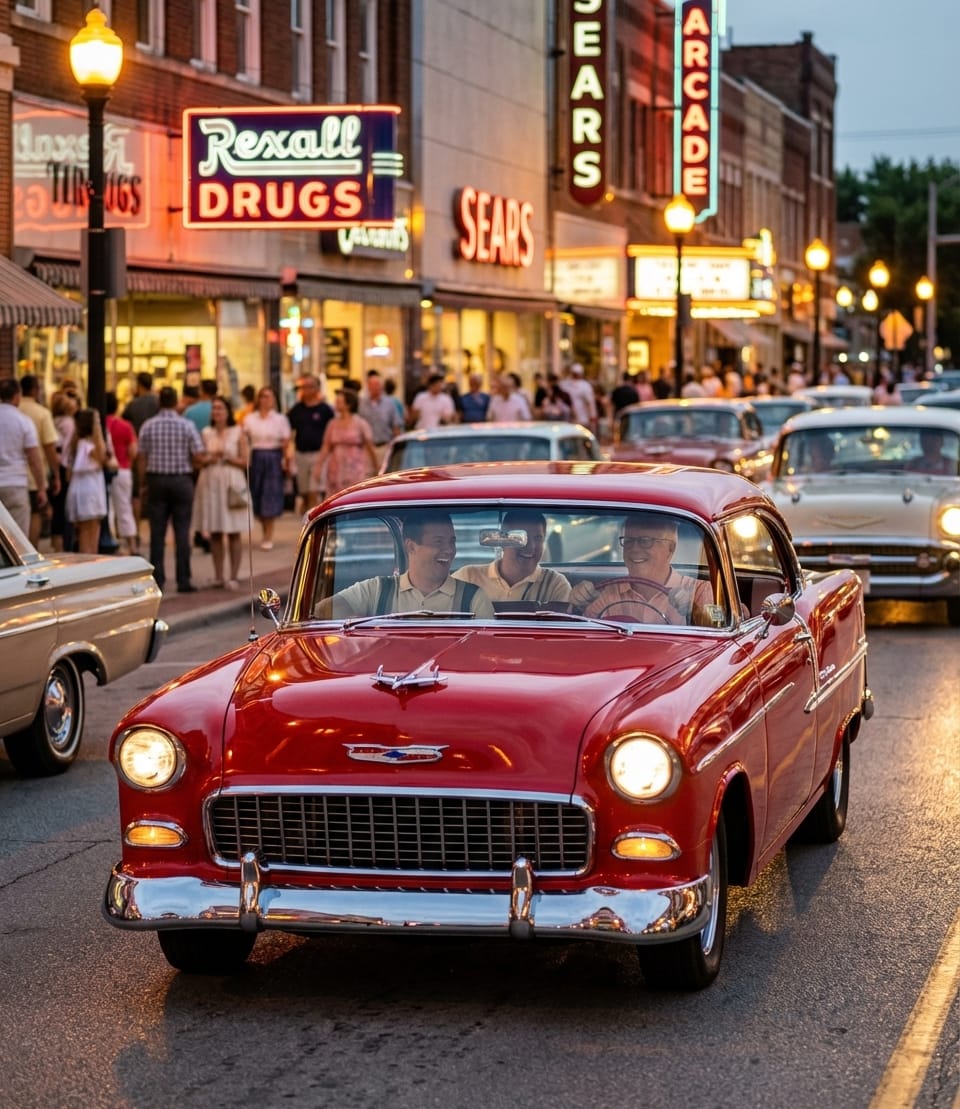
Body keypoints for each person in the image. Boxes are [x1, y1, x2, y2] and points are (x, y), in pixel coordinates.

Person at [323, 510, 494, 619]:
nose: (449, 550)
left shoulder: (474, 598)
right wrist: (358, 630)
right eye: (438, 542)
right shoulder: (377, 590)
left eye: (452, 542)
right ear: (411, 546)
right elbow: (322, 611)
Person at [571, 513, 719, 626]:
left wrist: (694, 610)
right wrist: (577, 603)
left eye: (645, 541)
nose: (634, 549)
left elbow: (719, 623)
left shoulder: (698, 590)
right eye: (628, 541)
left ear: (670, 549)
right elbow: (585, 635)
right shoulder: (607, 593)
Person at [137, 385, 206, 593]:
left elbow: (141, 457)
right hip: (181, 480)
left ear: (159, 402)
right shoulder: (186, 425)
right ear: (177, 402)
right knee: (182, 532)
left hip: (156, 480)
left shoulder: (148, 425)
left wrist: (143, 482)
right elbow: (198, 455)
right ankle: (183, 579)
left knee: (157, 532)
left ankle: (158, 579)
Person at [192, 396, 250, 588]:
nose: (216, 412)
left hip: (231, 482)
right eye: (214, 409)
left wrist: (228, 457)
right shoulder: (206, 432)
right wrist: (209, 458)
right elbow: (198, 460)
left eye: (220, 409)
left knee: (233, 530)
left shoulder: (238, 432)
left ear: (228, 412)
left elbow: (246, 461)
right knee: (215, 530)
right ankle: (218, 574)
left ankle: (233, 575)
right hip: (210, 482)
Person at [454, 511, 571, 606]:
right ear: (503, 541)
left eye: (538, 538)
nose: (531, 547)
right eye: (519, 538)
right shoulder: (468, 577)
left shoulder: (555, 584)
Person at [243, 385, 292, 550]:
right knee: (257, 493)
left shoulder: (280, 419)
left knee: (270, 495)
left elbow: (285, 443)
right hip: (256, 457)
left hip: (273, 456)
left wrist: (286, 462)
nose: (265, 400)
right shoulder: (250, 418)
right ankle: (264, 527)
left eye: (268, 396)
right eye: (262, 396)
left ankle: (268, 534)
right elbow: (244, 439)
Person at [0, 377, 48, 537]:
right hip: (16, 484)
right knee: (17, 538)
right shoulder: (23, 421)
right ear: (16, 396)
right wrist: (41, 487)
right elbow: (34, 459)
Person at [18, 374, 61, 546]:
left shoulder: (12, 411)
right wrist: (56, 474)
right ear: (35, 390)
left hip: (11, 476)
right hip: (35, 476)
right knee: (35, 515)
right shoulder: (42, 413)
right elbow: (49, 448)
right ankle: (30, 551)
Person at [311, 388, 380, 496]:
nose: (335, 404)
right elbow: (326, 446)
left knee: (354, 494)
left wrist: (377, 467)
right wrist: (319, 466)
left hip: (355, 466)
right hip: (336, 466)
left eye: (339, 402)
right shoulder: (332, 424)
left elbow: (370, 446)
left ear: (349, 405)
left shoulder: (360, 423)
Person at [64, 407, 109, 554]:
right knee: (91, 535)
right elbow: (103, 459)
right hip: (92, 490)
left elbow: (68, 472)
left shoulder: (75, 444)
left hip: (78, 489)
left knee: (83, 532)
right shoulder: (92, 445)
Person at [287, 374, 334, 511]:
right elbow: (289, 431)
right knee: (304, 491)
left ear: (316, 388)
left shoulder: (325, 410)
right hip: (301, 453)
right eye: (303, 387)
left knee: (315, 489)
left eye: (308, 386)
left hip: (319, 453)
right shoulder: (296, 410)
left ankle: (313, 515)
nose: (305, 390)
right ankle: (306, 511)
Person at [105, 391, 139, 555]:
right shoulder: (125, 425)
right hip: (123, 469)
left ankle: (111, 540)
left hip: (104, 470)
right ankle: (131, 543)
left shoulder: (100, 424)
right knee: (124, 506)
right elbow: (133, 450)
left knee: (108, 508)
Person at [358, 370, 405, 463]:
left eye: (378, 384)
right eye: (373, 385)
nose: (375, 387)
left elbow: (396, 426)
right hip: (365, 449)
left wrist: (396, 447)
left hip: (384, 446)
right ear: (368, 386)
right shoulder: (361, 404)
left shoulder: (390, 403)